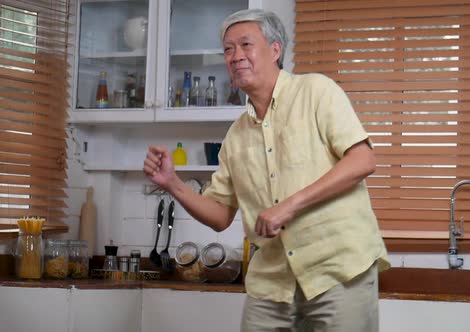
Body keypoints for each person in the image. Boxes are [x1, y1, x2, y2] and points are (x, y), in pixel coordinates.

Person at [143, 8, 390, 331]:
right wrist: (172, 182)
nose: (235, 56)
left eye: (246, 45)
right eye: (228, 49)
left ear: (276, 50)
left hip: (338, 271)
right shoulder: (235, 137)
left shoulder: (316, 91)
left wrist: (289, 206)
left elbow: (362, 160)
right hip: (272, 283)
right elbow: (220, 214)